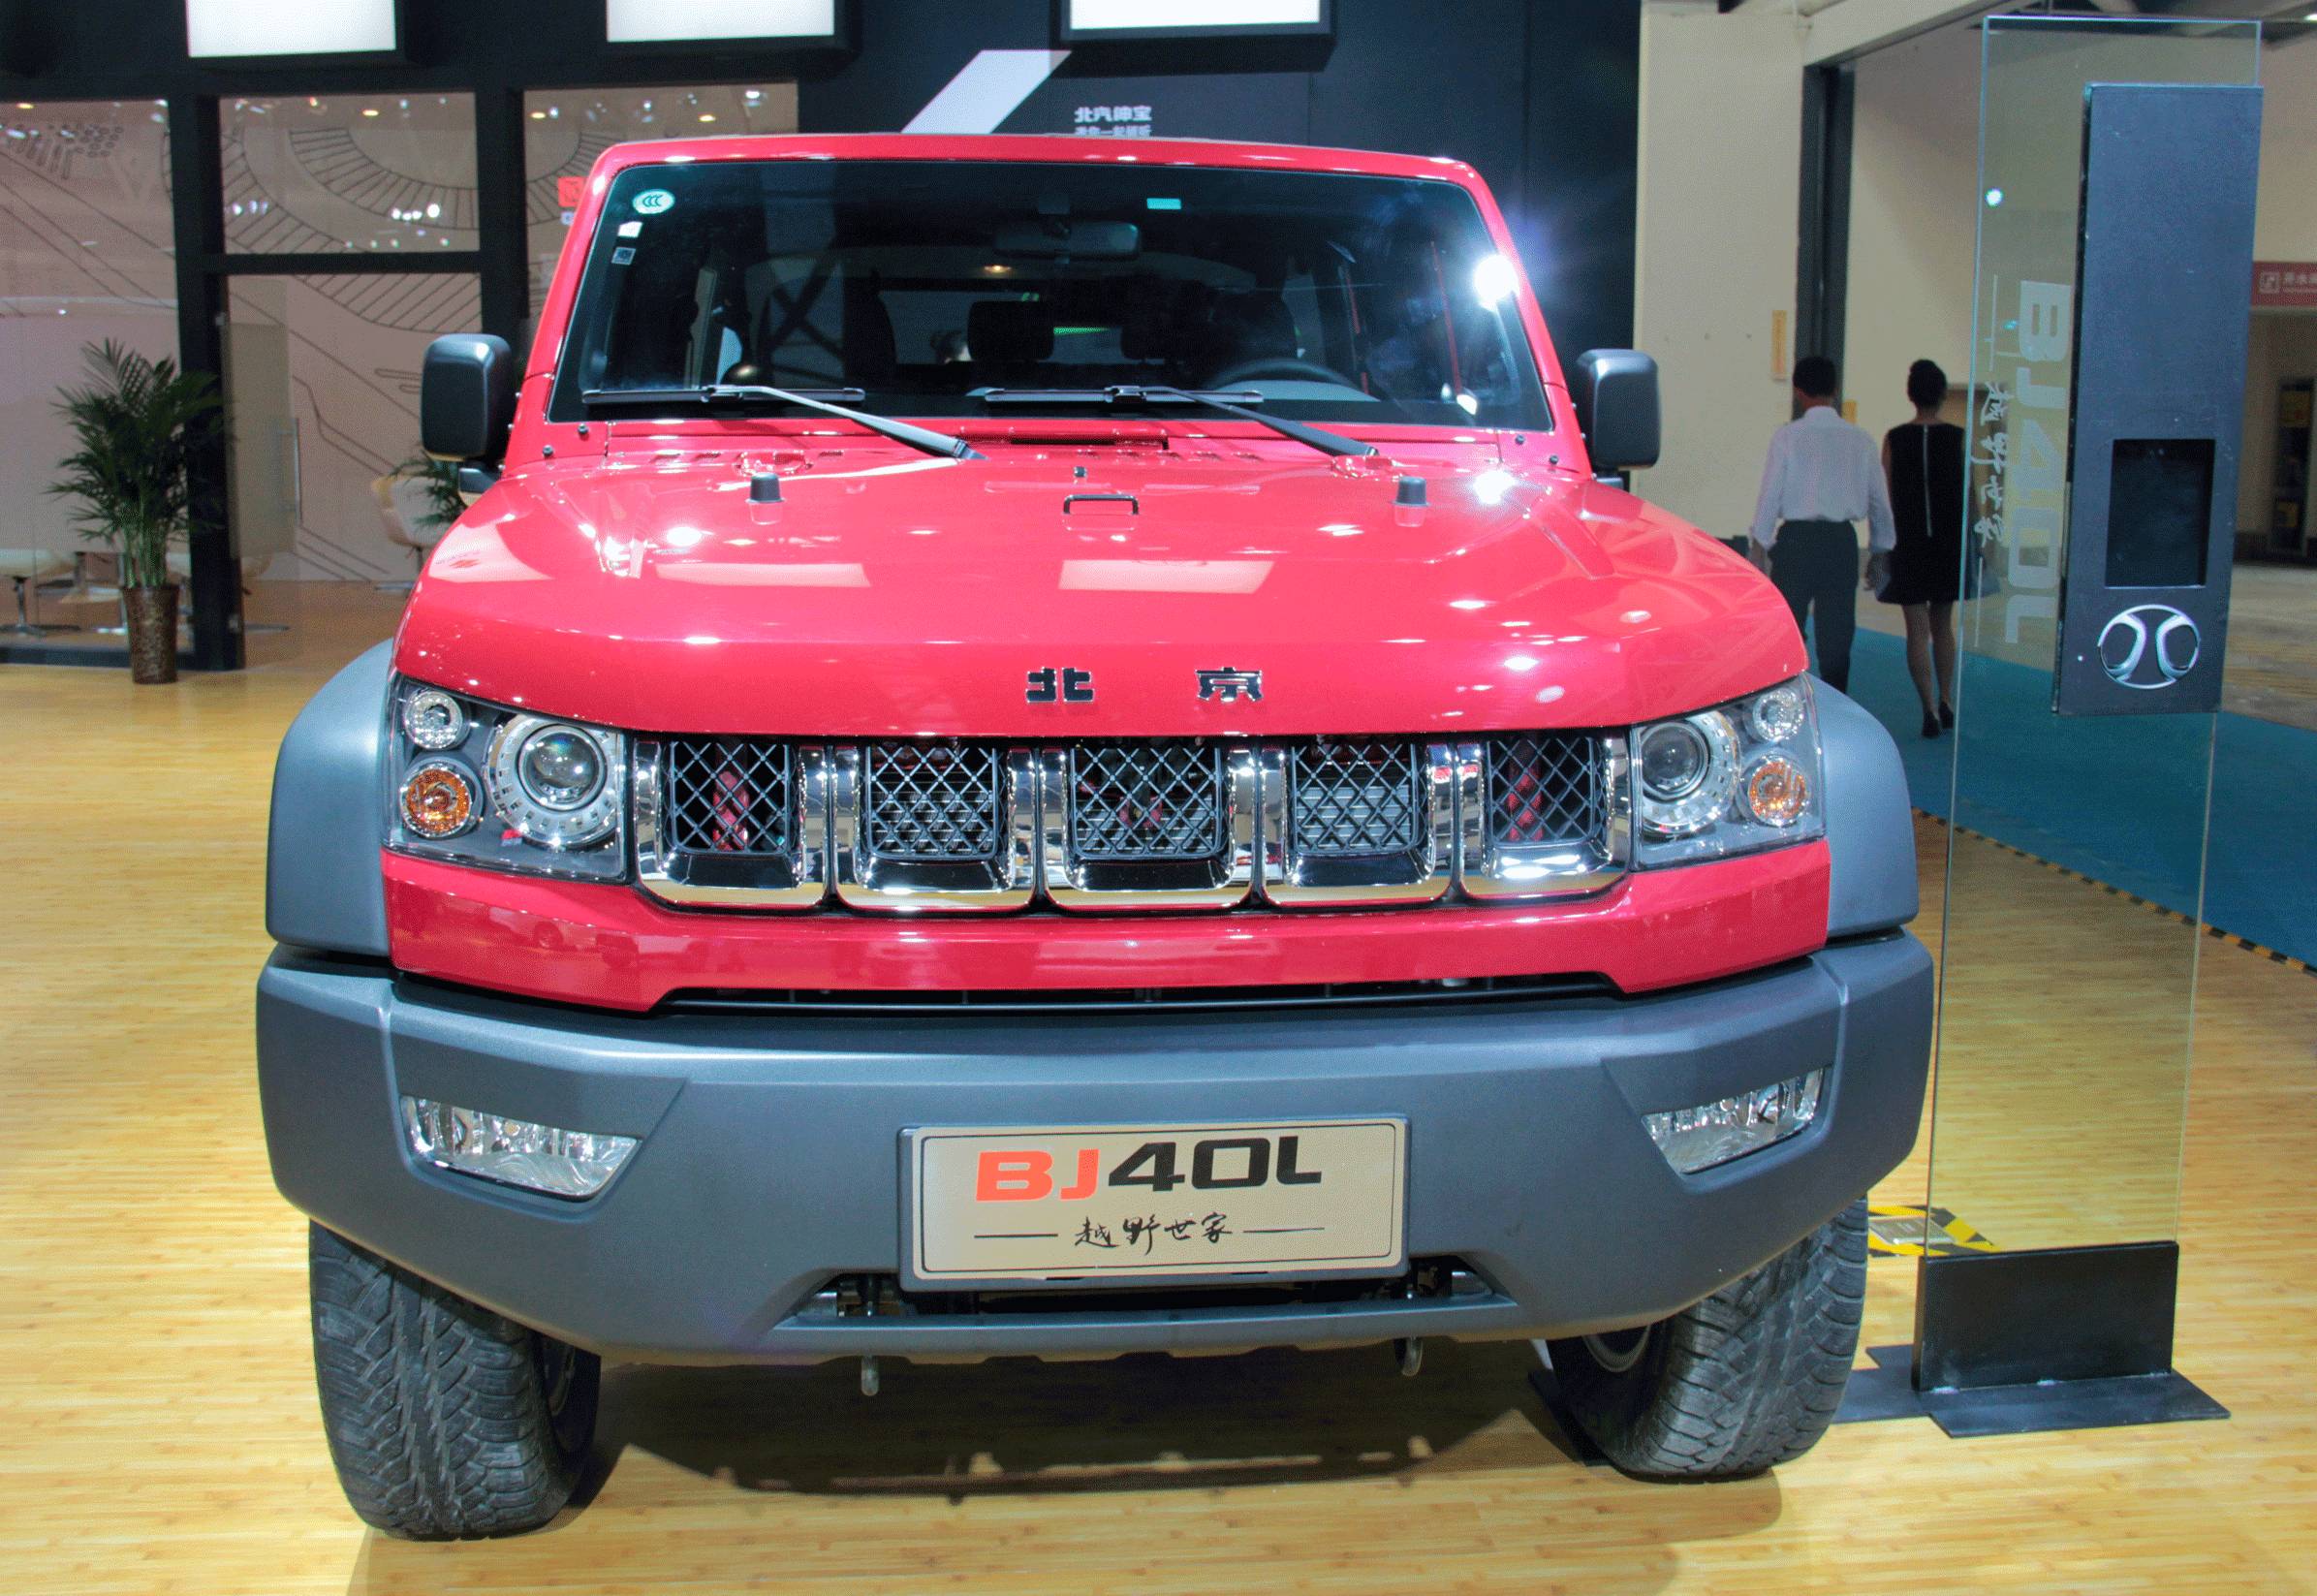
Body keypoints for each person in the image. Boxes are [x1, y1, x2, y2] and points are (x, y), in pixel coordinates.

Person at [1746, 355, 1894, 696]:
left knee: (1788, 630)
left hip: (1796, 542)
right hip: (1840, 542)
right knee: (1837, 635)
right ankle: (1837, 702)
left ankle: (1788, 699)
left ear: (1797, 391)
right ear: (1836, 390)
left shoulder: (1787, 437)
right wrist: (1879, 551)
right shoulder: (1861, 440)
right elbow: (1879, 501)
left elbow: (1770, 494)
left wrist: (1760, 544)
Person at [1879, 359, 1964, 738]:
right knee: (1943, 625)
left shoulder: (1895, 438)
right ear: (1943, 394)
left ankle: (1928, 706)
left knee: (1916, 629)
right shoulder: (1958, 438)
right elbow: (1970, 493)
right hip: (1947, 540)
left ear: (1910, 395)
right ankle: (1947, 699)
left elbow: (1886, 495)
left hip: (1908, 541)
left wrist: (1882, 546)